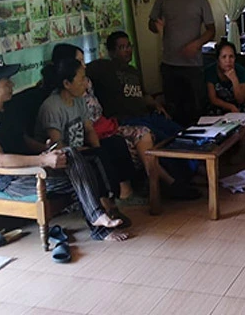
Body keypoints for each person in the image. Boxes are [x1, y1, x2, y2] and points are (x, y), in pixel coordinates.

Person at [0, 57, 127, 242]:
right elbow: (1, 160)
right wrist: (43, 160)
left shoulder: (7, 109)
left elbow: (24, 141)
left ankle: (100, 219)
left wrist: (46, 149)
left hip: (33, 168)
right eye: (6, 82)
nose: (12, 84)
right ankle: (99, 223)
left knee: (78, 157)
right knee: (81, 174)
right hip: (14, 180)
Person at [50, 43, 183, 201]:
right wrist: (97, 148)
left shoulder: (86, 82)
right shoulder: (61, 99)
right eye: (80, 61)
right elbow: (75, 132)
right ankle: (164, 184)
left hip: (106, 125)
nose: (84, 66)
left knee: (145, 132)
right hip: (92, 135)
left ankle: (157, 183)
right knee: (119, 144)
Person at [86, 31, 200, 199]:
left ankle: (196, 170)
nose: (127, 50)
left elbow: (143, 95)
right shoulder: (103, 67)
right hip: (127, 119)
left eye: (129, 46)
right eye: (122, 47)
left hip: (146, 114)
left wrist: (156, 105)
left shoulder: (133, 71)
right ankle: (176, 182)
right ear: (111, 52)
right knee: (162, 139)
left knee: (181, 133)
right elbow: (81, 70)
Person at [36, 58, 137, 219]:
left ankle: (126, 193)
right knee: (97, 157)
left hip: (80, 147)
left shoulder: (79, 100)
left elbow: (89, 130)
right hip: (64, 156)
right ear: (67, 83)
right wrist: (94, 152)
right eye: (82, 79)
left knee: (115, 143)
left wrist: (97, 148)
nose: (86, 83)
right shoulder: (52, 107)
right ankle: (108, 206)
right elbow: (57, 145)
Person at [148, 0, 215, 126]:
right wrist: (157, 26)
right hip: (170, 63)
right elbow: (151, 23)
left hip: (193, 66)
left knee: (196, 109)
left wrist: (197, 44)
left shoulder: (201, 2)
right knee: (173, 108)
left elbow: (211, 30)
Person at [205, 38, 245, 115]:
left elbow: (241, 100)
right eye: (224, 57)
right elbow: (213, 99)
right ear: (218, 59)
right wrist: (230, 107)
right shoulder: (210, 71)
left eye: (231, 57)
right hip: (218, 106)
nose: (228, 61)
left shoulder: (241, 71)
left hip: (237, 107)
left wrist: (234, 79)